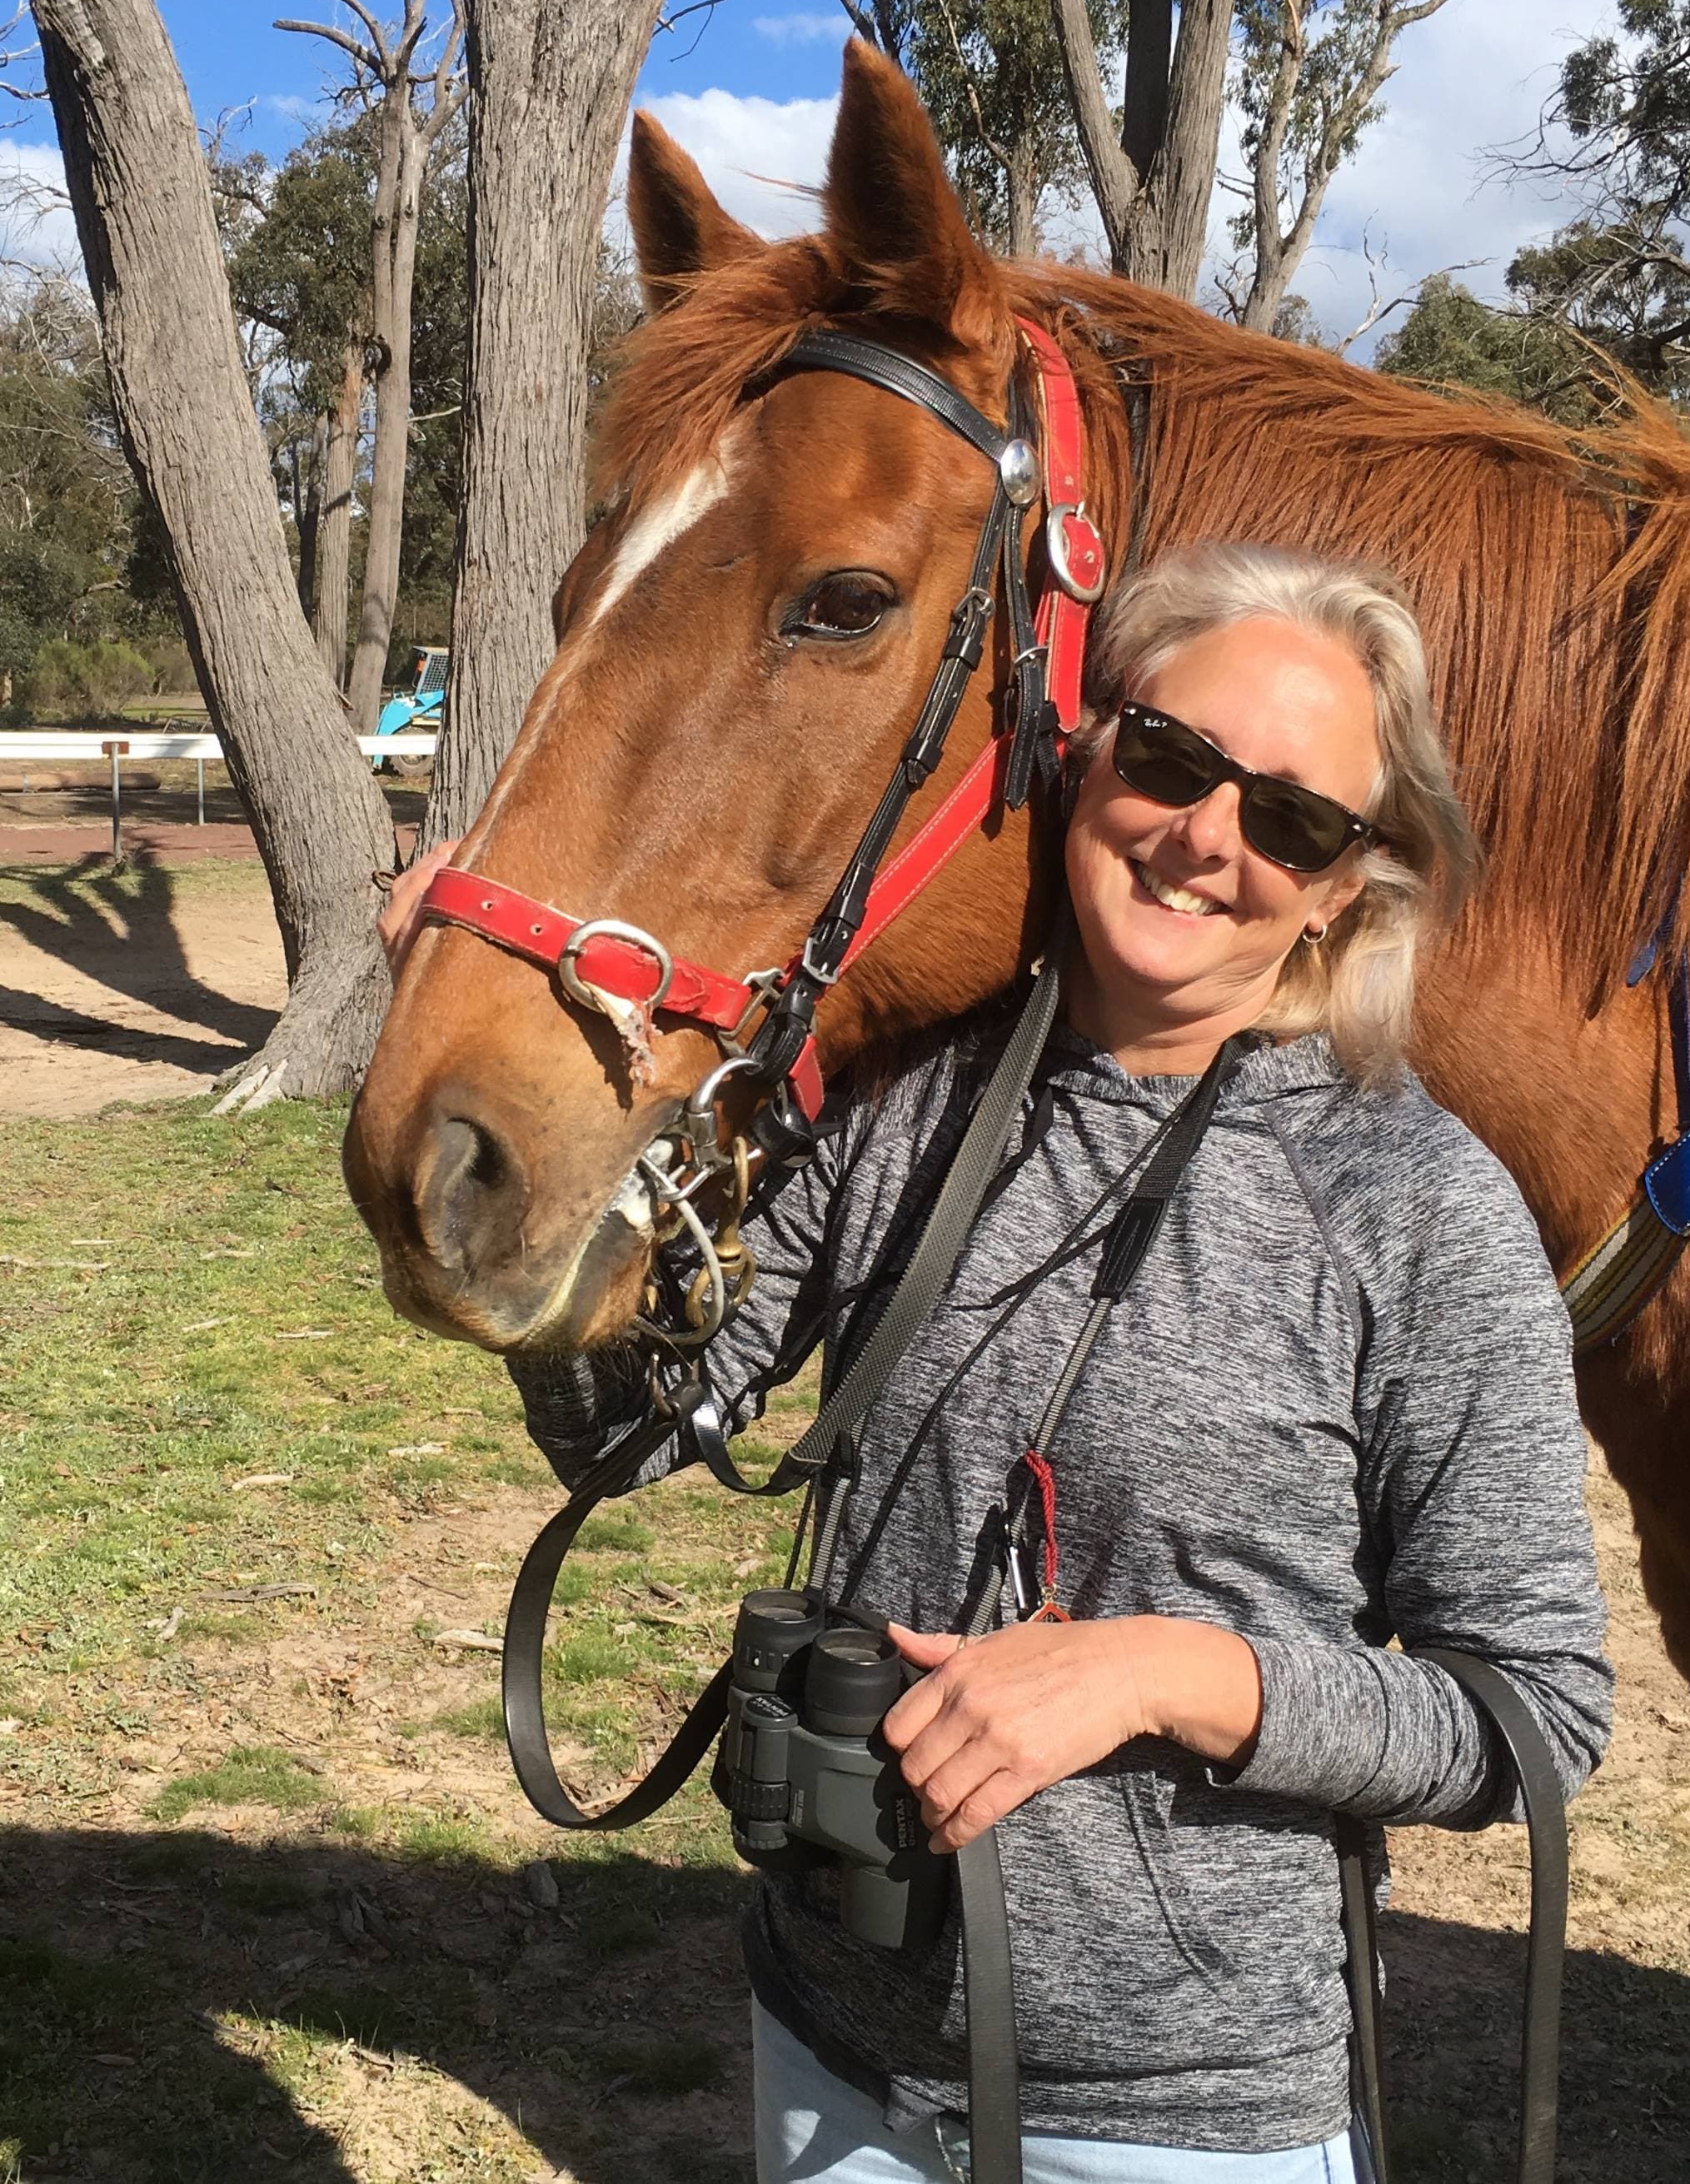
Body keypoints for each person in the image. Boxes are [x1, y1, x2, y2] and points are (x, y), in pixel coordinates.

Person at [381, 541, 1611, 2184]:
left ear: (1346, 883)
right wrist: (511, 1087)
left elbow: (1529, 1710)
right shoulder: (905, 1096)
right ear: (1085, 750)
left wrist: (1171, 1671)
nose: (1203, 837)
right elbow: (641, 1431)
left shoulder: (1415, 1209)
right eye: (1169, 759)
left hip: (1183, 2118)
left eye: (1290, 819)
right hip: (834, 2039)